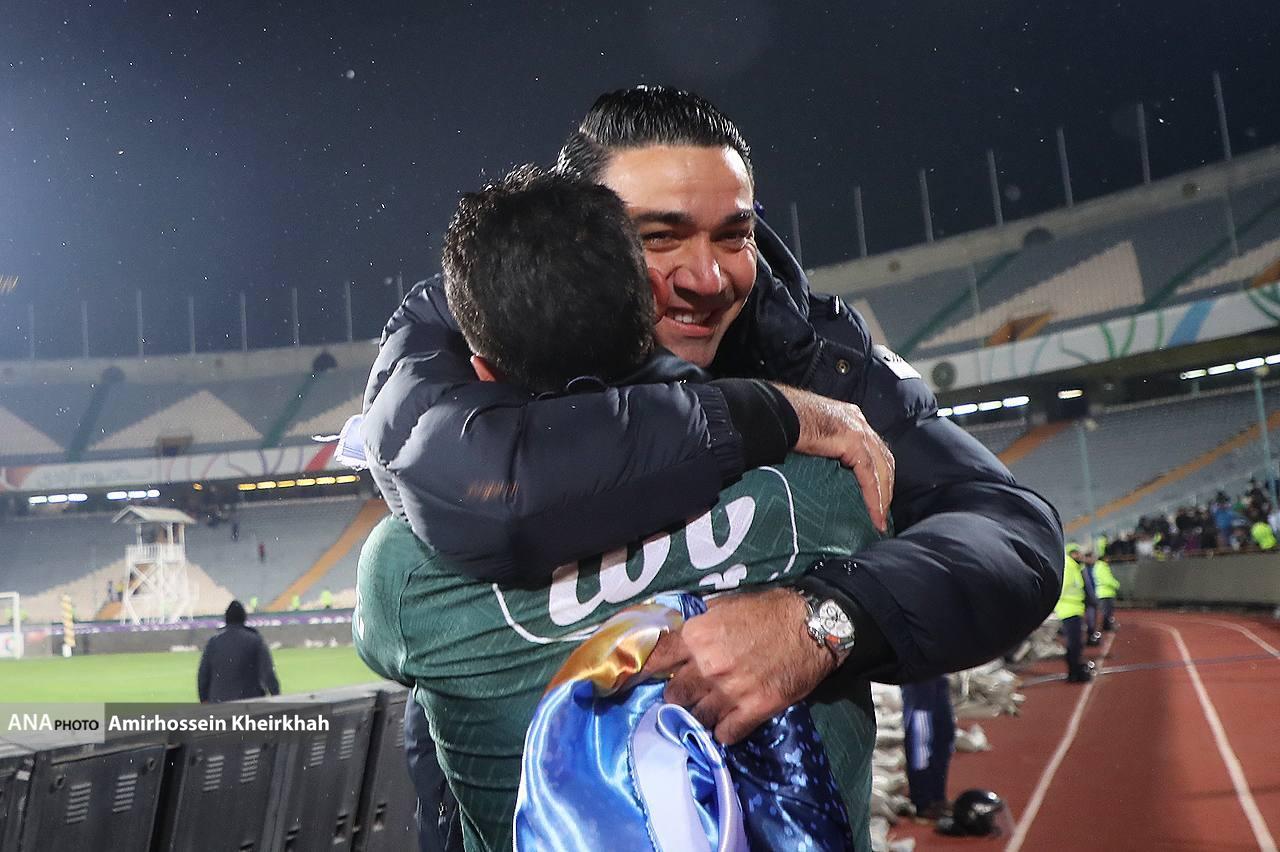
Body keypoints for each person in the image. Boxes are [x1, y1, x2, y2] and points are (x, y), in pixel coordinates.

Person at [360, 85, 1063, 741]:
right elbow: (494, 489)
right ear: (576, 232)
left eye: (733, 235)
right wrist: (766, 414)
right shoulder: (468, 318)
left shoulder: (813, 349)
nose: (708, 278)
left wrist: (826, 617)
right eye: (658, 237)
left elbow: (1010, 531)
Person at [356, 167, 888, 850]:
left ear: (481, 368)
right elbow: (925, 580)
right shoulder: (829, 484)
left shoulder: (404, 574)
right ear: (650, 314)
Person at [197, 600, 281, 703]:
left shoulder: (213, 642)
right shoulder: (255, 640)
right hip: (249, 703)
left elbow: (203, 675)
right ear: (244, 618)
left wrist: (204, 699)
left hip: (219, 704)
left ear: (226, 619)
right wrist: (276, 696)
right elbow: (268, 674)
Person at [902, 675, 955, 822]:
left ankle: (938, 796)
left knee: (945, 733)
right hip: (918, 676)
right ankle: (922, 800)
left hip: (938, 673)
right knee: (921, 737)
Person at [1055, 546, 1091, 683]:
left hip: (1073, 609)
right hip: (1069, 610)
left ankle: (1074, 671)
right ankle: (1074, 672)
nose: (1080, 555)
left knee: (1075, 644)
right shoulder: (1069, 566)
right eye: (1077, 553)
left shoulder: (1075, 567)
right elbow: (1063, 588)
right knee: (1074, 644)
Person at [1091, 553, 1120, 632]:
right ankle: (1106, 627)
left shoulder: (1098, 566)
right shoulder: (1102, 567)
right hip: (1105, 593)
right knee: (1106, 611)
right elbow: (1107, 580)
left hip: (1104, 593)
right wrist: (1116, 584)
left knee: (1106, 611)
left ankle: (1106, 626)